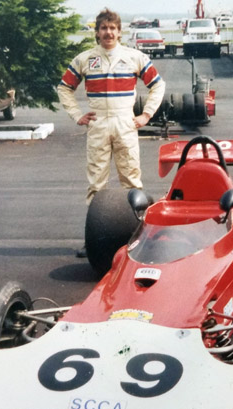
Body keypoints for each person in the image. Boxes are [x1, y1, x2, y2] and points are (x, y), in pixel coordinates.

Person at [57, 8, 165, 257]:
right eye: (104, 28)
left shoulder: (134, 57)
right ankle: (93, 241)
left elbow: (157, 84)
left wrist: (146, 115)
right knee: (96, 184)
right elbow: (64, 88)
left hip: (125, 123)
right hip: (98, 124)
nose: (108, 32)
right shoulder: (84, 59)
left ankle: (141, 238)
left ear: (119, 31)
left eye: (113, 28)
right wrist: (77, 115)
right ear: (97, 32)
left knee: (132, 181)